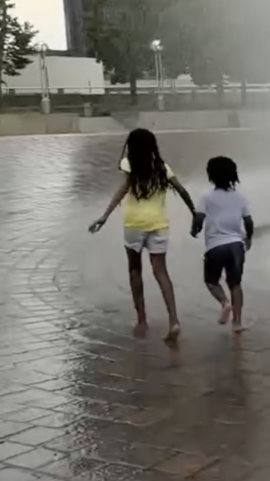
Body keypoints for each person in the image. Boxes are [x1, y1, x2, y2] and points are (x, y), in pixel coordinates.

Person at [89, 128, 195, 342]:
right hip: (158, 225)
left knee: (135, 270)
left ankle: (141, 319)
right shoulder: (163, 168)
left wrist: (104, 216)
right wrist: (195, 213)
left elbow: (122, 190)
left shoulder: (130, 165)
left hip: (134, 224)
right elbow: (182, 191)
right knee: (161, 272)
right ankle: (174, 320)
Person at [190, 155, 254, 333]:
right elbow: (248, 221)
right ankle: (238, 322)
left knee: (211, 281)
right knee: (235, 284)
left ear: (211, 175)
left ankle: (224, 303)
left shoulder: (206, 196)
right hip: (236, 246)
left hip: (215, 246)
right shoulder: (240, 196)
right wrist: (249, 238)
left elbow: (199, 218)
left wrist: (194, 229)